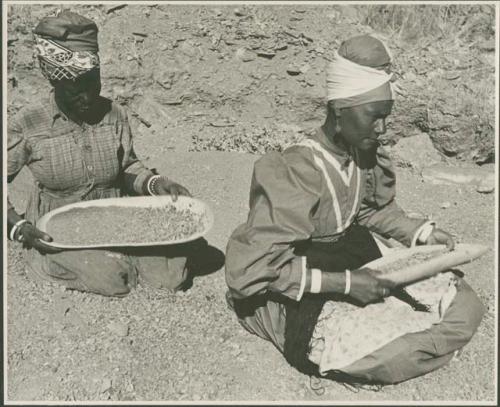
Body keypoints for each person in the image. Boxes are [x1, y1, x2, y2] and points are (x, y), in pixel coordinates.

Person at [224, 35, 485, 385]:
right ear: (339, 109)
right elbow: (249, 271)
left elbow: (364, 212)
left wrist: (420, 233)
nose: (382, 129)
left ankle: (424, 340)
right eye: (374, 117)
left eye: (386, 118)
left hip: (350, 252)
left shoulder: (363, 152)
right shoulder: (297, 169)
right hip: (300, 273)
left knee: (464, 300)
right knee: (392, 353)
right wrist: (347, 285)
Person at [7, 10, 195, 297]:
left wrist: (157, 184)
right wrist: (20, 227)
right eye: (75, 89)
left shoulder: (113, 113)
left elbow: (128, 168)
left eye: (93, 84)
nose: (88, 98)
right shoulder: (28, 123)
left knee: (170, 275)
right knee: (112, 277)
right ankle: (51, 260)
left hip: (113, 216)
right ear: (54, 81)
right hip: (60, 224)